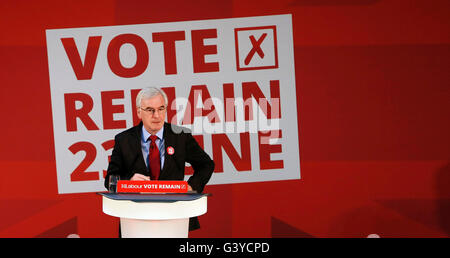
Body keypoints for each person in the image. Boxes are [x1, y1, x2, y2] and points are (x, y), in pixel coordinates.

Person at [104, 87, 215, 232]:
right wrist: (129, 183)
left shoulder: (181, 136)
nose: (157, 115)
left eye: (161, 109)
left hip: (175, 216)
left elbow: (206, 164)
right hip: (136, 218)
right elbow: (110, 180)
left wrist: (191, 186)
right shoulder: (124, 140)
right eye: (150, 110)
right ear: (139, 112)